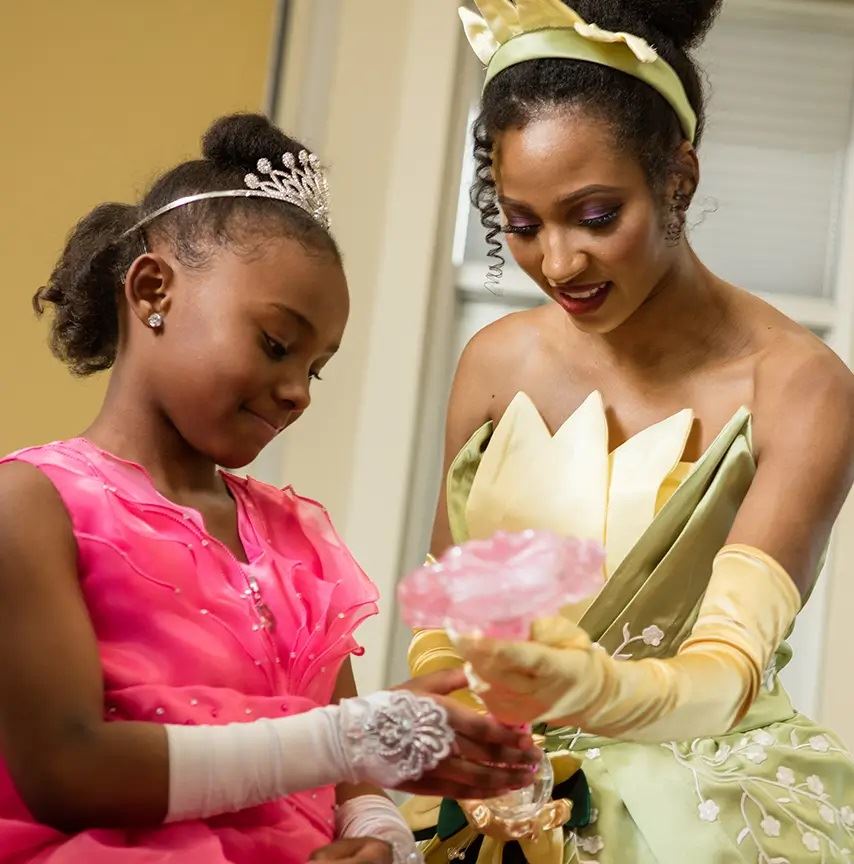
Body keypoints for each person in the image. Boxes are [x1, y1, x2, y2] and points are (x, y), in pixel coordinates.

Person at [0, 113, 541, 864]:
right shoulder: (32, 506)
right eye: (276, 344)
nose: (298, 392)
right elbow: (67, 770)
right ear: (153, 291)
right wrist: (354, 737)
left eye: (316, 368)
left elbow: (349, 779)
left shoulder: (294, 540)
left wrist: (379, 835)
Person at [407, 2, 854, 862]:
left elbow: (728, 672)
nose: (559, 263)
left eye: (595, 216)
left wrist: (589, 689)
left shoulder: (801, 388)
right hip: (493, 800)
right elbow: (446, 614)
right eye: (523, 224)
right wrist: (459, 716)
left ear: (678, 177)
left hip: (696, 813)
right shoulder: (495, 362)